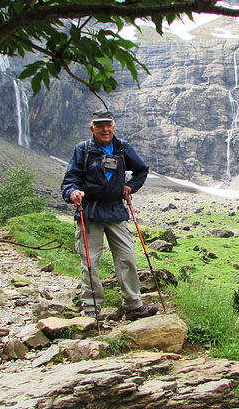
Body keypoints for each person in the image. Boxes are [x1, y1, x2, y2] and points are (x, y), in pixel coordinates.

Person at [61, 110, 158, 321]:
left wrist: (130, 187)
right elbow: (69, 182)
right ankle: (91, 308)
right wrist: (72, 193)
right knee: (90, 261)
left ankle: (133, 305)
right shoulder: (83, 150)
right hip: (89, 211)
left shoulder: (122, 147)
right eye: (100, 125)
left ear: (113, 126)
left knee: (127, 257)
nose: (105, 129)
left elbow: (142, 170)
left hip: (115, 210)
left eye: (108, 125)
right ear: (92, 128)